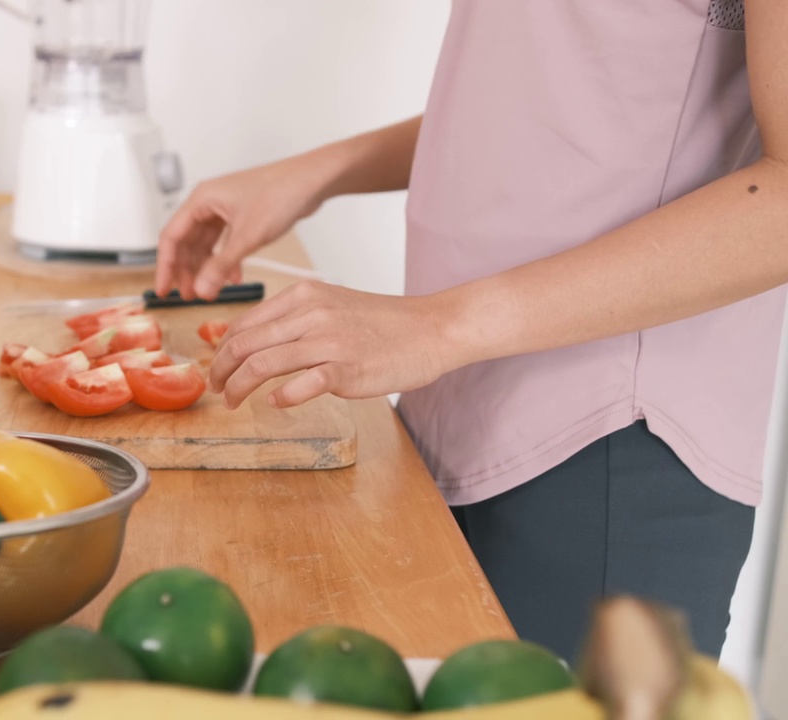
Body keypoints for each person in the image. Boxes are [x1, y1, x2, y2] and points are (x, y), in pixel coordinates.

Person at [154, 0, 785, 663]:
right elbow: (562, 91)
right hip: (460, 405)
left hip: (611, 447)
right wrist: (324, 170)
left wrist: (437, 326)